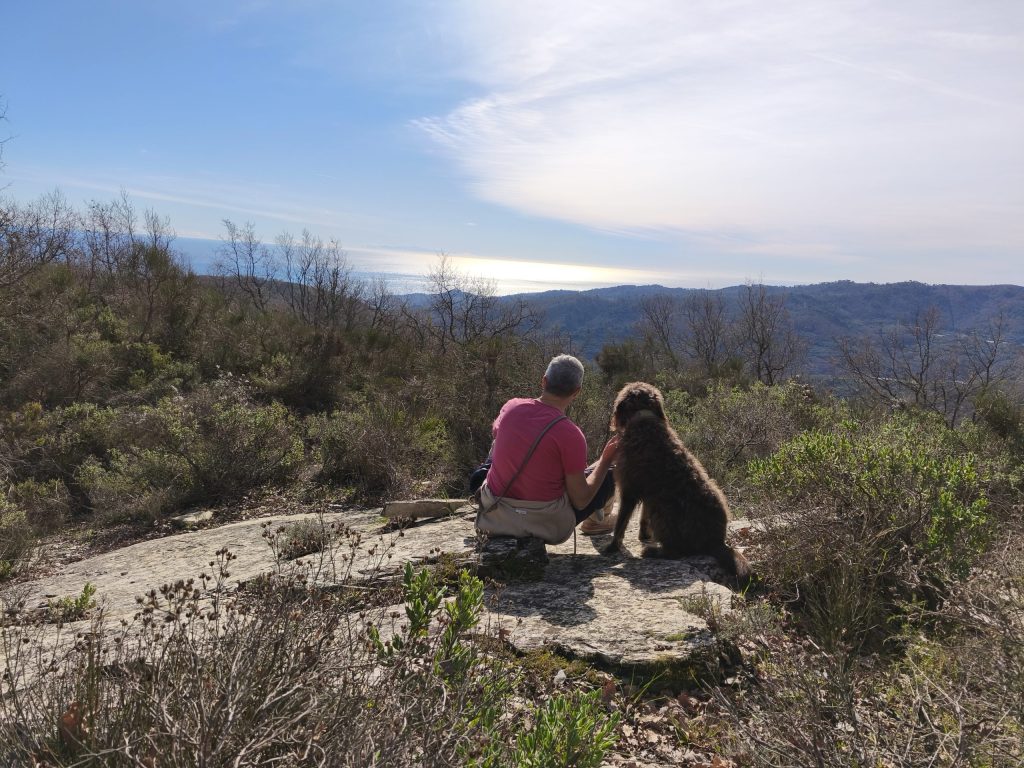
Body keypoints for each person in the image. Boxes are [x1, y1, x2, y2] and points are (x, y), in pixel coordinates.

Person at [473, 354, 619, 544]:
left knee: (497, 445)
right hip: (546, 525)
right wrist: (606, 460)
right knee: (609, 474)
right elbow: (581, 500)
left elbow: (497, 438)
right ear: (577, 392)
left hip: (495, 516)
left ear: (544, 381)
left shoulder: (511, 408)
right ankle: (598, 521)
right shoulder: (571, 434)